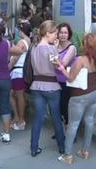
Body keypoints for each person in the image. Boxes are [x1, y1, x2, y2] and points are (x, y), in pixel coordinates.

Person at [56, 33, 96, 164]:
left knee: (73, 124)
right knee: (89, 121)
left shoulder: (81, 60)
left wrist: (61, 68)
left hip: (80, 96)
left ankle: (67, 155)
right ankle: (85, 151)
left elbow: (70, 78)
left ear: (86, 46)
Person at [29, 20, 65, 157]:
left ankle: (34, 147)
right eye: (55, 33)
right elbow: (58, 66)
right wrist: (55, 49)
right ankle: (62, 147)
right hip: (52, 86)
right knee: (56, 117)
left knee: (38, 117)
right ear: (48, 33)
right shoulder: (51, 49)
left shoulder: (34, 47)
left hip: (36, 85)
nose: (56, 36)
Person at [8, 22, 32, 131]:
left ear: (21, 30)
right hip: (20, 71)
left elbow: (15, 57)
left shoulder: (22, 42)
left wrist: (7, 68)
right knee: (13, 94)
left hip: (18, 71)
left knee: (19, 95)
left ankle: (21, 120)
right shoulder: (28, 41)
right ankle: (18, 117)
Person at [55, 23, 77, 126]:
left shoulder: (71, 48)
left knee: (65, 107)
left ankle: (69, 133)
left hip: (66, 82)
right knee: (56, 108)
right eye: (61, 32)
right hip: (55, 81)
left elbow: (63, 64)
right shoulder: (55, 46)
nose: (63, 35)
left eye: (65, 33)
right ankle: (59, 131)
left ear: (69, 34)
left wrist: (53, 55)